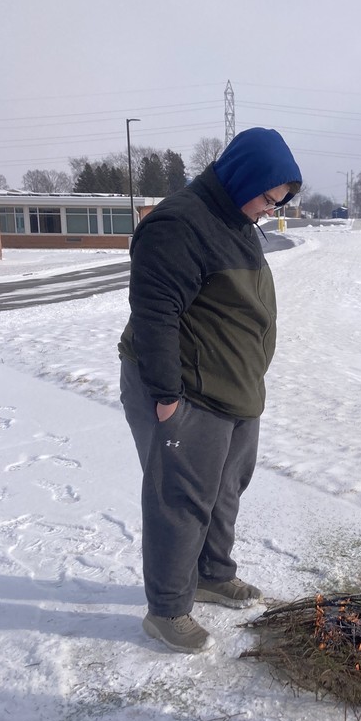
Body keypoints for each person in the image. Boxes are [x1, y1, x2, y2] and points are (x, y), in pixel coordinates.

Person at [118, 127, 302, 653]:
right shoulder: (180, 223)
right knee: (182, 498)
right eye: (269, 199)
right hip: (186, 390)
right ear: (246, 178)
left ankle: (212, 574)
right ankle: (168, 609)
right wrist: (165, 394)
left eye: (279, 202)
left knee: (224, 490)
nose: (271, 210)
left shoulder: (234, 218)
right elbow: (155, 314)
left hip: (234, 387)